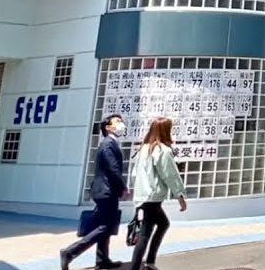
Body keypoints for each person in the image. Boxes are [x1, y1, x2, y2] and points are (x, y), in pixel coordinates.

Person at [61, 114, 128, 270]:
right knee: (105, 226)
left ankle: (102, 260)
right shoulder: (108, 144)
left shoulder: (112, 143)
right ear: (108, 127)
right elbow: (113, 169)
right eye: (117, 121)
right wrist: (123, 188)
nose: (121, 124)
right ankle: (70, 252)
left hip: (105, 190)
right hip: (106, 191)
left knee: (105, 225)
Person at [129, 117, 187, 270]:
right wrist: (180, 196)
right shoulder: (162, 150)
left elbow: (135, 174)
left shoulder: (143, 149)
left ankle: (149, 262)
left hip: (143, 196)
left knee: (162, 224)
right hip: (153, 197)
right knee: (145, 234)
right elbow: (170, 175)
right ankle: (143, 264)